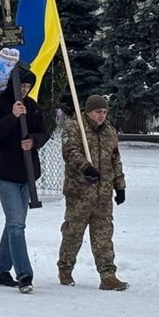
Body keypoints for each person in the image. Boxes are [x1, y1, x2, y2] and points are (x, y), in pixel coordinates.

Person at [0, 66, 50, 293]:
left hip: (27, 173)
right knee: (16, 225)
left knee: (14, 223)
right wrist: (12, 117)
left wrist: (33, 140)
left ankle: (0, 270)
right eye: (21, 86)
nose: (24, 90)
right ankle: (24, 274)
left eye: (27, 86)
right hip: (6, 173)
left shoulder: (32, 106)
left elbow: (43, 132)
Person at [59, 94, 129, 291]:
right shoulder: (75, 128)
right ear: (89, 111)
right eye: (98, 112)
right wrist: (85, 168)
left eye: (104, 112)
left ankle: (108, 274)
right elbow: (71, 152)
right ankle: (65, 268)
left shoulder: (110, 132)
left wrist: (120, 185)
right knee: (73, 233)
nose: (101, 116)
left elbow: (115, 159)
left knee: (104, 235)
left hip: (103, 193)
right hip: (80, 192)